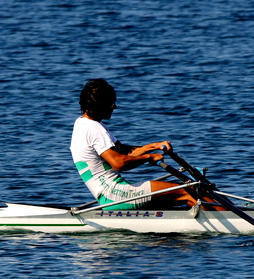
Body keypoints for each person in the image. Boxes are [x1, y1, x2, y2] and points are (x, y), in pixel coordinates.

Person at [70, 79, 199, 210]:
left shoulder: (82, 124)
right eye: (111, 103)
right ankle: (217, 221)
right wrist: (149, 157)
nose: (114, 106)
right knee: (188, 191)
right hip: (114, 194)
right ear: (99, 104)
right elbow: (119, 163)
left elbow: (125, 153)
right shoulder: (94, 129)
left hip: (111, 194)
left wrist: (154, 146)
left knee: (180, 194)